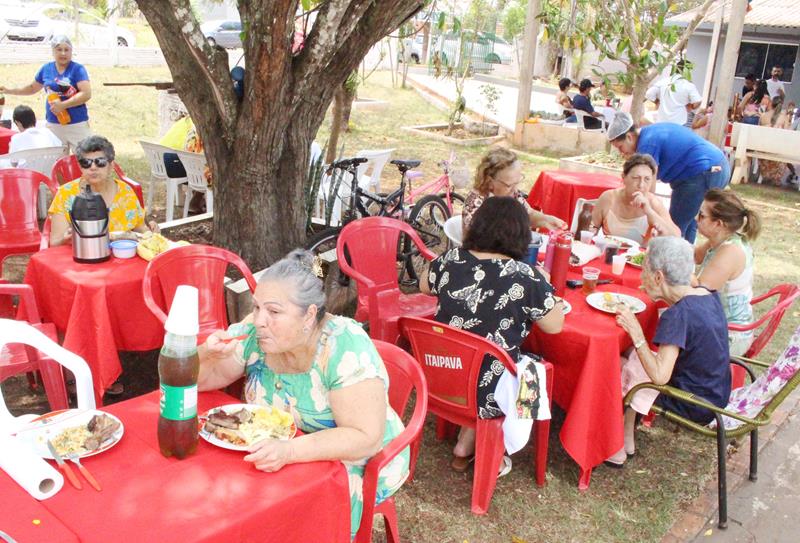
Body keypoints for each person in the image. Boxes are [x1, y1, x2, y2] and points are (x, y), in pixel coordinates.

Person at [197, 249, 409, 539]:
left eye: (273, 311)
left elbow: (364, 437)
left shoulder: (343, 346)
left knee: (291, 517)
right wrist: (204, 356)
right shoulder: (256, 332)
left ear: (309, 315)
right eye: (256, 307)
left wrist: (290, 451)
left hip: (356, 459)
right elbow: (203, 379)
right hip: (281, 452)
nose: (258, 320)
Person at [420, 197, 564, 471]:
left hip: (440, 373)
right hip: (486, 390)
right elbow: (555, 325)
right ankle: (503, 443)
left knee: (487, 354)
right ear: (521, 234)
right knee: (532, 369)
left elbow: (425, 285)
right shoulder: (526, 276)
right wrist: (545, 284)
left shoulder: (452, 259)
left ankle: (467, 438)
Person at [606, 236, 731, 467]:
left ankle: (614, 445)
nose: (642, 278)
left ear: (658, 277)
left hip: (693, 403)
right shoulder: (707, 295)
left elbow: (660, 377)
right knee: (634, 359)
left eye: (645, 271)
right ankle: (626, 438)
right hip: (715, 393)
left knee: (616, 364)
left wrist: (636, 332)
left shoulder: (678, 315)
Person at [607, 112, 730, 243]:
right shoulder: (649, 134)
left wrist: (643, 209)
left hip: (702, 171)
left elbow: (649, 189)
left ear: (629, 137)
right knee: (689, 222)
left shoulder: (647, 144)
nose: (621, 153)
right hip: (716, 165)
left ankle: (674, 259)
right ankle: (686, 258)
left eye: (620, 147)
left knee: (674, 226)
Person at [48, 135, 158, 246]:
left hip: (121, 256)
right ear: (80, 167)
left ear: (111, 165)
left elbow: (141, 229)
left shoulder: (125, 192)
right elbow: (54, 242)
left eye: (100, 162)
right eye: (86, 163)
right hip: (81, 257)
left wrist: (151, 232)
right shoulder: (65, 194)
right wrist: (65, 239)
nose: (93, 167)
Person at [694, 189, 761, 357]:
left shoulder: (730, 251)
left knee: (667, 324)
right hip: (717, 323)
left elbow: (698, 294)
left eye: (702, 215)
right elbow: (695, 256)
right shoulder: (722, 240)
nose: (696, 218)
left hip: (728, 336)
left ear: (719, 224)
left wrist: (670, 269)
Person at [0, 36, 91, 151]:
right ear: (53, 51)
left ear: (71, 51)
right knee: (55, 161)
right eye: (59, 49)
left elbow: (86, 94)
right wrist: (9, 90)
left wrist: (63, 105)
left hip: (77, 124)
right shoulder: (46, 69)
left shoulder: (78, 69)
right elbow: (32, 88)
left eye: (66, 50)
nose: (63, 53)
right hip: (54, 124)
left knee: (84, 159)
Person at [462, 147, 566, 237]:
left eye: (517, 183)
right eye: (509, 185)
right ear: (489, 182)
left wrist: (546, 220)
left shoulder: (512, 194)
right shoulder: (475, 203)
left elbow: (528, 214)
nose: (515, 190)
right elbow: (474, 241)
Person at [590, 153, 680, 245]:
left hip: (640, 258)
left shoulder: (654, 203)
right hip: (609, 254)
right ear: (623, 177)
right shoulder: (609, 198)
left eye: (647, 179)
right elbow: (590, 228)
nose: (641, 185)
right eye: (636, 178)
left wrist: (649, 211)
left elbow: (676, 237)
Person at [645, 62, 702, 126]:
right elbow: (698, 101)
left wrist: (657, 102)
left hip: (662, 120)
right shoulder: (688, 85)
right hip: (679, 122)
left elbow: (649, 93)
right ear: (687, 71)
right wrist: (691, 106)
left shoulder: (664, 81)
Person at [757, 96, 793, 185]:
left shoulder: (763, 116)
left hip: (763, 153)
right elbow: (788, 136)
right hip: (777, 154)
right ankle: (777, 179)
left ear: (771, 104)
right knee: (783, 153)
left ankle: (763, 175)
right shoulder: (784, 118)